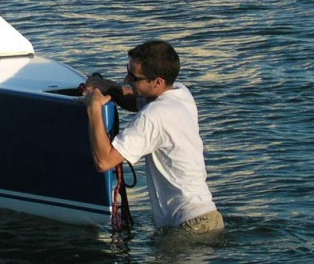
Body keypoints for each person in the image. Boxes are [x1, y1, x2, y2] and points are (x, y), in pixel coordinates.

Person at [83, 40, 223, 237]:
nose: (126, 79)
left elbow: (104, 161)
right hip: (205, 217)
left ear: (158, 82)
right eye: (127, 72)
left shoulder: (154, 115)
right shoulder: (180, 94)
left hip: (189, 227)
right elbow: (136, 100)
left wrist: (94, 109)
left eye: (133, 77)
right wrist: (110, 87)